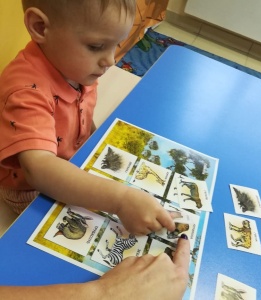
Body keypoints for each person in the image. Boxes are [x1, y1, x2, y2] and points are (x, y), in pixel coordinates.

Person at [0, 0, 190, 298]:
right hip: (28, 188)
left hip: (70, 162)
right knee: (81, 253)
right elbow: (39, 170)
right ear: (40, 27)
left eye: (115, 45)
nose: (111, 60)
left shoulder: (74, 64)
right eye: (97, 46)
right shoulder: (27, 89)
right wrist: (121, 199)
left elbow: (80, 118)